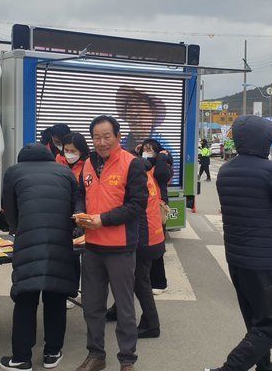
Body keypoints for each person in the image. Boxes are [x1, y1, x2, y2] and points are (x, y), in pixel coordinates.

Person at [205, 115, 272, 371]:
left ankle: (265, 368)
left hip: (237, 257)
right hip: (264, 259)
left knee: (254, 321)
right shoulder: (270, 170)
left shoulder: (226, 171)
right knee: (270, 326)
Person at [74, 115, 148, 371]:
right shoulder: (86, 165)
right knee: (92, 306)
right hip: (92, 247)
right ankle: (96, 356)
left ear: (117, 137)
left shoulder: (132, 164)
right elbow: (80, 195)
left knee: (125, 308)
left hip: (120, 248)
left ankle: (127, 360)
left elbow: (137, 206)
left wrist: (102, 220)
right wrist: (81, 214)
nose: (102, 142)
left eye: (107, 136)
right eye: (97, 137)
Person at [0, 143, 79, 371]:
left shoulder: (14, 171)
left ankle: (21, 359)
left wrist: (17, 228)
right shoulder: (65, 171)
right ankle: (52, 353)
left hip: (28, 242)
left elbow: (10, 208)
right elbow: (74, 207)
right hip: (60, 243)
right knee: (55, 296)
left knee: (26, 298)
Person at [105, 138, 167, 340]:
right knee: (131, 277)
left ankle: (152, 324)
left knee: (140, 281)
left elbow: (128, 208)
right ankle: (116, 310)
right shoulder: (145, 172)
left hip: (144, 236)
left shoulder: (136, 174)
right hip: (152, 233)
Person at [56, 131, 91, 309]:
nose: (68, 153)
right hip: (60, 213)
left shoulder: (87, 166)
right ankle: (68, 288)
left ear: (81, 151)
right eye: (66, 149)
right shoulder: (58, 161)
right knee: (65, 256)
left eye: (73, 150)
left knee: (78, 254)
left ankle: (76, 290)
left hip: (79, 215)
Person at [140, 139, 172, 294]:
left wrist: (160, 157)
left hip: (158, 208)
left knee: (157, 248)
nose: (147, 151)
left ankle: (159, 283)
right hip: (144, 210)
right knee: (146, 247)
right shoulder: (140, 164)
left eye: (151, 149)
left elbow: (160, 174)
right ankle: (147, 280)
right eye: (145, 148)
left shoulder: (163, 166)